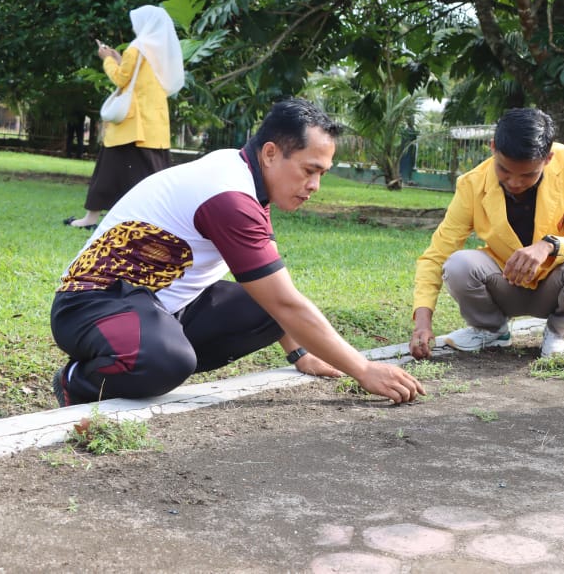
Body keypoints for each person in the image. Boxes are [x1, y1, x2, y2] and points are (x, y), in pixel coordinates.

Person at [51, 98, 425, 407]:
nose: (315, 186)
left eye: (322, 173)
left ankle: (148, 346)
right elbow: (285, 303)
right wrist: (363, 369)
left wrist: (300, 353)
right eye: (310, 170)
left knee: (274, 308)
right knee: (165, 362)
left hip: (158, 303)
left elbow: (275, 295)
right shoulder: (229, 196)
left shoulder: (247, 178)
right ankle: (75, 383)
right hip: (92, 304)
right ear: (271, 153)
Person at [409, 107, 564, 361]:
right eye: (504, 170)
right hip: (504, 284)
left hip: (555, 287)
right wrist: (422, 323)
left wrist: (548, 246)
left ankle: (559, 332)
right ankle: (491, 330)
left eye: (528, 175)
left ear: (548, 158)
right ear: (493, 148)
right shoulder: (471, 184)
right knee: (457, 265)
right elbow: (435, 256)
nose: (514, 182)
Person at [65, 5, 185, 229]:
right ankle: (160, 221)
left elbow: (121, 79)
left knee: (107, 171)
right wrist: (121, 59)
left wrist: (107, 59)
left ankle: (91, 218)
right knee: (154, 176)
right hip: (154, 125)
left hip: (131, 125)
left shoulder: (137, 48)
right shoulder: (160, 51)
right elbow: (138, 78)